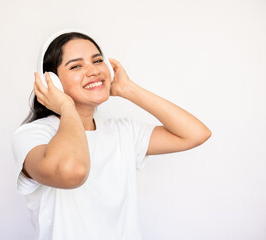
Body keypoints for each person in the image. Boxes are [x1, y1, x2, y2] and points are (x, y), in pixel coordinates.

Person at [12, 31, 211, 240]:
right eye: (76, 66)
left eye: (98, 61)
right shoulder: (32, 135)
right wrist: (66, 107)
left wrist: (128, 88)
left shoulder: (123, 132)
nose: (93, 71)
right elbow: (73, 172)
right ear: (52, 81)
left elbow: (196, 134)